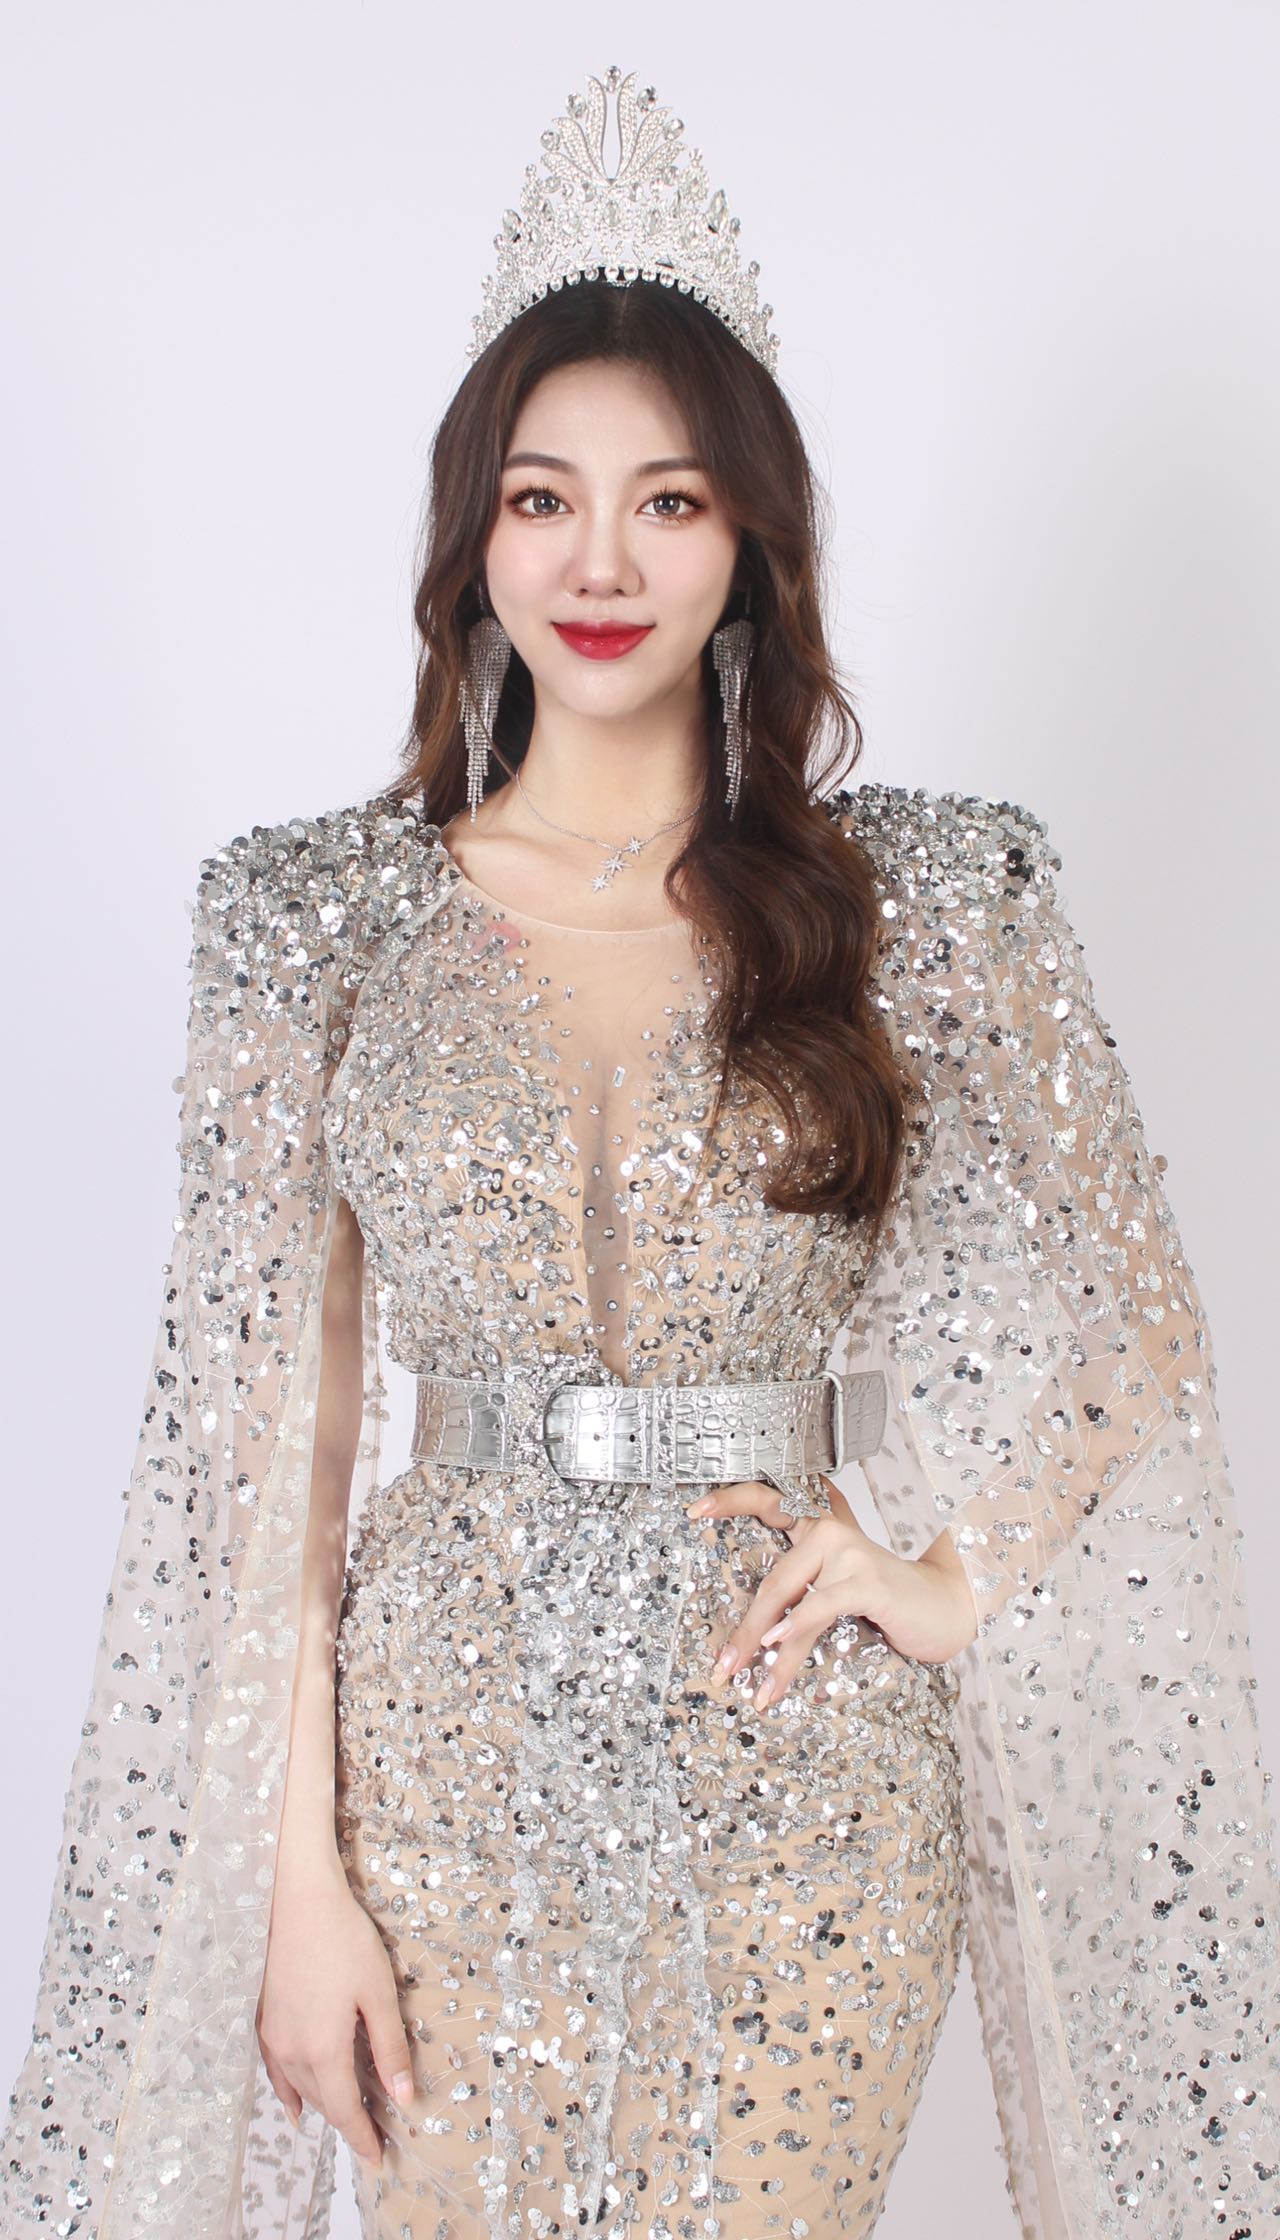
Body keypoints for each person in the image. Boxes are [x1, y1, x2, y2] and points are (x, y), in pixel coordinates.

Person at [3, 61, 1277, 2240]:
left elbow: (1129, 1320)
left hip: (805, 1782)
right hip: (433, 1771)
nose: (600, 562)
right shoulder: (312, 920)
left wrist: (938, 1570)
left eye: (668, 501)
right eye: (543, 498)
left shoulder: (924, 897)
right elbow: (270, 1460)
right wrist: (297, 1884)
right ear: (472, 541)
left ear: (749, 541)